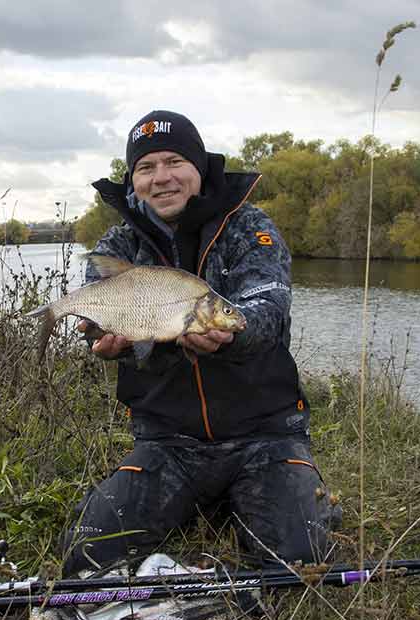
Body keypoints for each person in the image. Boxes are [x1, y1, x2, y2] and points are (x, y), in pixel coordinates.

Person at [61, 110, 333, 577]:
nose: (161, 178)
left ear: (199, 168)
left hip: (264, 434)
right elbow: (103, 324)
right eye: (146, 168)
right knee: (88, 555)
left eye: (174, 162)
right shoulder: (117, 247)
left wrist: (230, 335)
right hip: (168, 441)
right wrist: (113, 343)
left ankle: (270, 494)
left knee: (297, 562)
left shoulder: (251, 228)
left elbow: (267, 308)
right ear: (133, 180)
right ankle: (199, 501)